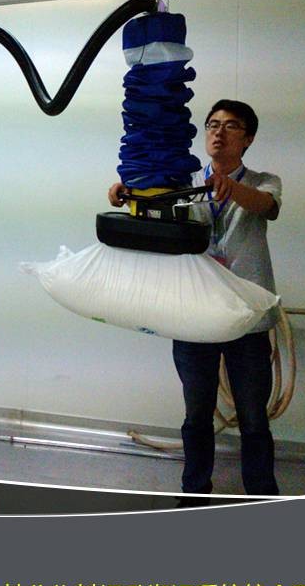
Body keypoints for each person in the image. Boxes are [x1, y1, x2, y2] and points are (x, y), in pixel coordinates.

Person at [109, 99, 282, 502]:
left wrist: (232, 188)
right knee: (196, 414)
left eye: (231, 126)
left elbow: (266, 207)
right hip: (194, 316)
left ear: (248, 138)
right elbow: (151, 209)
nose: (219, 132)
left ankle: (261, 495)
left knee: (254, 418)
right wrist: (128, 194)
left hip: (247, 319)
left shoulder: (264, 181)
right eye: (212, 124)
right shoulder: (182, 180)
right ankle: (194, 493)